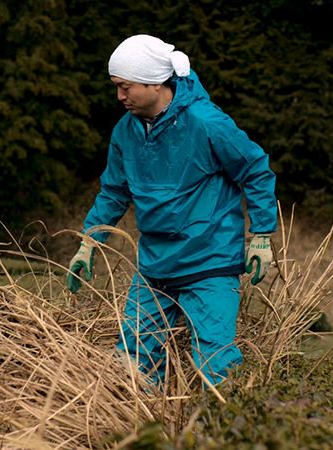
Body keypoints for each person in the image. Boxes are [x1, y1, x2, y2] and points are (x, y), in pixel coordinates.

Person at [65, 35, 278, 386]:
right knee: (132, 364)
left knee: (216, 367)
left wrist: (262, 236)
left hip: (209, 262)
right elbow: (114, 192)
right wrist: (89, 242)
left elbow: (255, 169)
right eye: (116, 87)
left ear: (154, 82)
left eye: (125, 87)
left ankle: (231, 431)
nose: (119, 96)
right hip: (155, 266)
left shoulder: (206, 123)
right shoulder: (125, 131)